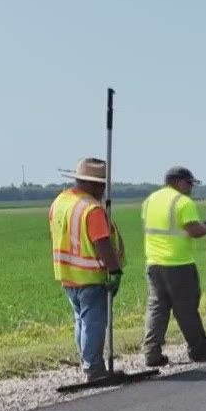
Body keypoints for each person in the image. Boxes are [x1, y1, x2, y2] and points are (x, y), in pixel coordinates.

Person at [50, 157, 124, 380]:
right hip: (91, 275)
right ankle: (94, 369)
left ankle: (88, 363)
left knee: (81, 321)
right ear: (93, 184)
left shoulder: (60, 202)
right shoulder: (92, 209)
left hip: (67, 274)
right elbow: (101, 242)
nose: (103, 190)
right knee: (93, 323)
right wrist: (114, 270)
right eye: (102, 185)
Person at [141, 166, 206, 365]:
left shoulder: (150, 201)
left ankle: (152, 351)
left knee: (157, 307)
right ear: (177, 181)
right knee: (186, 307)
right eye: (189, 183)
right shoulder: (183, 202)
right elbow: (194, 230)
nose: (191, 188)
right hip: (179, 264)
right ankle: (198, 348)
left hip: (154, 264)